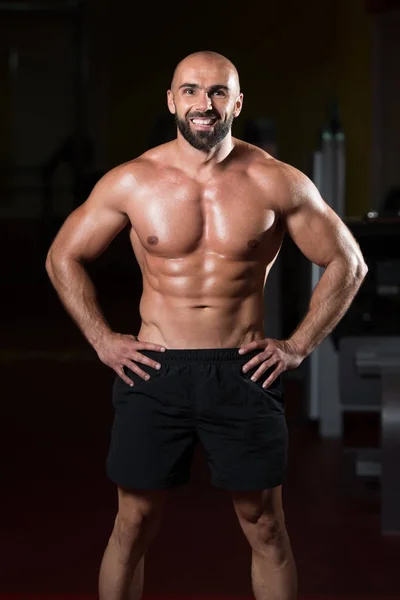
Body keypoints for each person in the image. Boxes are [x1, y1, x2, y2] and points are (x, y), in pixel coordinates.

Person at [45, 50, 368, 600]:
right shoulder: (132, 181)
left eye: (218, 91)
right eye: (191, 90)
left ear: (236, 103)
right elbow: (63, 257)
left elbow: (349, 262)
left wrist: (296, 346)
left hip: (242, 370)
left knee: (266, 526)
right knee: (134, 524)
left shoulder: (276, 182)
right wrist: (102, 339)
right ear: (172, 100)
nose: (204, 103)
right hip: (154, 370)